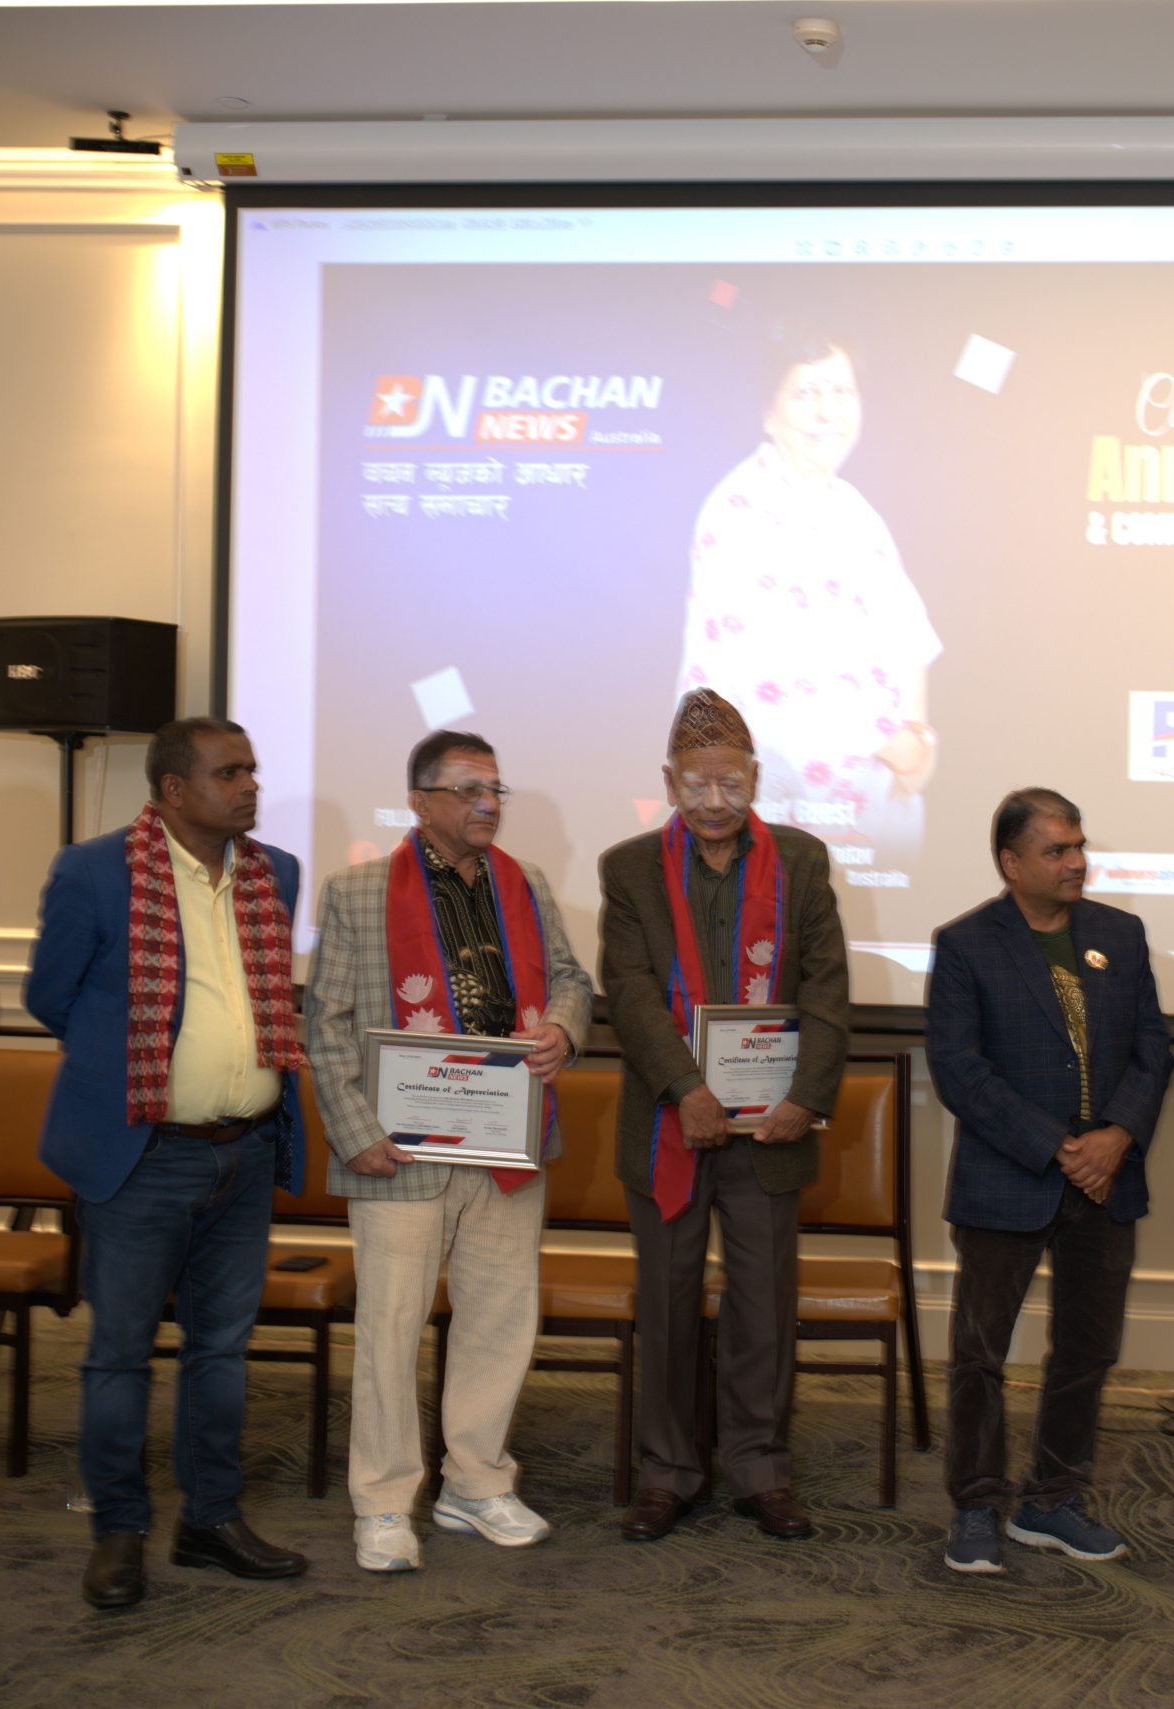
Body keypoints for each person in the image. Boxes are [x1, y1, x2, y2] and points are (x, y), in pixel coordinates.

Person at [26, 717, 311, 1610]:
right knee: (118, 1354)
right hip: (143, 1156)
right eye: (230, 773)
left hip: (246, 1151)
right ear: (174, 789)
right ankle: (119, 1529)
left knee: (220, 1350)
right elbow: (50, 997)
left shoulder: (275, 872)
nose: (251, 785)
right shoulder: (94, 871)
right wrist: (144, 1063)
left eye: (252, 769)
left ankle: (210, 1519)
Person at [303, 731, 594, 1574]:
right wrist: (355, 1131)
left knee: (499, 1317)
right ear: (420, 801)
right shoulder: (358, 891)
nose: (488, 804)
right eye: (468, 790)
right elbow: (325, 1022)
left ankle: (476, 1481)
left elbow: (572, 979)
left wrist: (562, 1028)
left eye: (496, 789)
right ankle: (384, 1500)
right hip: (398, 1149)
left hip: (506, 1141)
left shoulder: (525, 883)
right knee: (391, 1327)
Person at [600, 688, 850, 1542]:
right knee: (667, 1303)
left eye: (732, 783)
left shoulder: (802, 861)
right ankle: (668, 1471)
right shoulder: (629, 867)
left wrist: (805, 1097)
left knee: (763, 1305)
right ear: (670, 781)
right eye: (697, 784)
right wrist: (688, 1089)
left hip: (770, 1127)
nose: (715, 801)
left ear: (756, 779)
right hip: (669, 1123)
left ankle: (760, 1468)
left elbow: (826, 986)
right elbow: (630, 993)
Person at [925, 789, 1174, 1574]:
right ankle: (976, 1501)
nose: (1076, 862)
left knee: (1086, 1349)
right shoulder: (965, 943)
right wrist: (1060, 1146)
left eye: (1079, 846)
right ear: (1012, 862)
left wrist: (1117, 1134)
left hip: (1107, 1179)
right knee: (979, 1352)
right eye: (1057, 850)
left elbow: (1153, 1049)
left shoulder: (1121, 933)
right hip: (1010, 1174)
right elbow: (960, 1070)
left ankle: (1052, 1500)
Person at [674, 327, 942, 860]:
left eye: (841, 392)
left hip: (877, 805)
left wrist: (918, 740)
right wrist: (897, 745)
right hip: (790, 809)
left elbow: (908, 635)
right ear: (768, 412)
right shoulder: (740, 510)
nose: (827, 411)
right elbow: (780, 674)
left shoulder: (854, 508)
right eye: (805, 393)